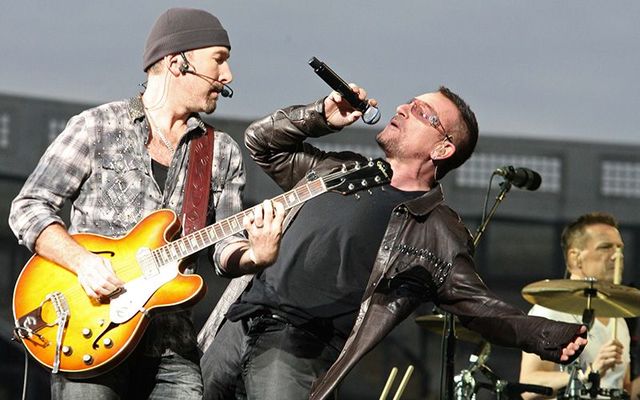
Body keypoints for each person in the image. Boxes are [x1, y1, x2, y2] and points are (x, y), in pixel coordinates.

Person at [198, 84, 588, 400]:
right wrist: (321, 115)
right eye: (409, 102)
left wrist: (545, 335)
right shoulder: (340, 169)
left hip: (298, 351)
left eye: (421, 112)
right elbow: (261, 143)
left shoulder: (435, 228)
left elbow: (478, 307)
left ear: (442, 149)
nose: (403, 108)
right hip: (237, 324)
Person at [9, 7, 283, 399]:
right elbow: (29, 207)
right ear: (178, 63)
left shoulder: (220, 151)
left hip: (171, 348)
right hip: (91, 334)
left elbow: (224, 249)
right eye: (219, 60)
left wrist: (256, 255)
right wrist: (83, 262)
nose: (228, 76)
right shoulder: (96, 126)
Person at [520, 212, 631, 399]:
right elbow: (529, 386)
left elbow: (622, 387)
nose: (617, 256)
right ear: (575, 257)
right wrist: (590, 372)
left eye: (619, 248)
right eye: (606, 247)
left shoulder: (618, 317)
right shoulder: (549, 311)